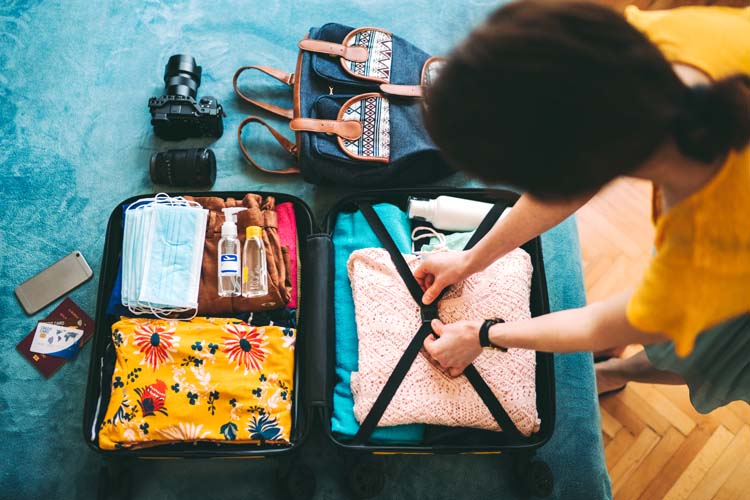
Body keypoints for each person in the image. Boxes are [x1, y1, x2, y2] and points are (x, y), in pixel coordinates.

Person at [415, 0, 750, 413]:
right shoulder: (677, 39)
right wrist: (470, 260)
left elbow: (600, 323)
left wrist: (483, 335)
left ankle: (616, 373)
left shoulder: (705, 259)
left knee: (708, 356)